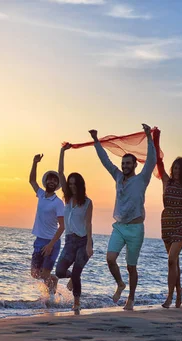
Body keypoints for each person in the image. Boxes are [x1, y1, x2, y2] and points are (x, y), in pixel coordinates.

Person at [90, 123, 156, 310]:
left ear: (135, 165)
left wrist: (149, 137)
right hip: (119, 226)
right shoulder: (118, 176)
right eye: (123, 163)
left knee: (131, 267)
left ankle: (131, 299)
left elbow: (151, 160)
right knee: (110, 258)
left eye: (129, 163)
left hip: (136, 228)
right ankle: (120, 284)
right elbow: (106, 161)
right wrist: (96, 140)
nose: (125, 166)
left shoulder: (142, 179)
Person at [55, 143, 94, 314]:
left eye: (74, 184)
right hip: (70, 241)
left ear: (80, 185)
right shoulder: (67, 199)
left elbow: (88, 223)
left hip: (83, 240)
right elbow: (60, 173)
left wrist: (89, 245)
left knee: (77, 272)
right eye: (69, 184)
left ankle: (76, 303)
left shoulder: (87, 202)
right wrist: (62, 152)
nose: (71, 186)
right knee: (60, 271)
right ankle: (72, 278)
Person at [157, 157, 182, 308]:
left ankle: (169, 296)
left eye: (180, 168)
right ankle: (179, 292)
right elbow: (158, 163)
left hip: (181, 222)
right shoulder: (166, 181)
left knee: (171, 260)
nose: (176, 171)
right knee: (175, 262)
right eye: (175, 168)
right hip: (167, 222)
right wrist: (151, 137)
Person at [29, 153, 65, 297]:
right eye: (50, 179)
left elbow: (62, 226)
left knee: (44, 273)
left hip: (52, 242)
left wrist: (50, 245)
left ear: (57, 185)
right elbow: (32, 181)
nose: (52, 181)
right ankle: (52, 282)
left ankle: (50, 297)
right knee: (35, 274)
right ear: (46, 182)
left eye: (54, 180)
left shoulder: (58, 203)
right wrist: (35, 162)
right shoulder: (41, 194)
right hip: (39, 240)